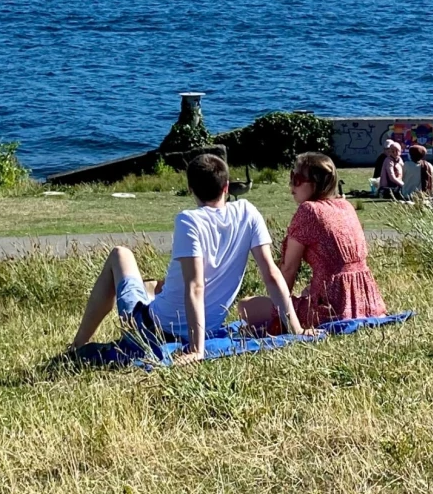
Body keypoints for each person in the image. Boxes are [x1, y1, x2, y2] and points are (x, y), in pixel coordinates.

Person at [70, 153, 302, 364]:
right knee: (158, 287)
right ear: (227, 187)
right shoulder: (248, 212)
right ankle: (151, 289)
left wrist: (196, 349)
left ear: (190, 189)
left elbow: (195, 286)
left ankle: (77, 345)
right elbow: (271, 274)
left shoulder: (189, 220)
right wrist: (296, 331)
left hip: (151, 328)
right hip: (207, 326)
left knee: (120, 254)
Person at [240, 152, 386, 331]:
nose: (291, 184)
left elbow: (288, 269)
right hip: (368, 302)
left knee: (246, 306)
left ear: (315, 183)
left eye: (297, 179)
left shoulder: (309, 211)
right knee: (306, 291)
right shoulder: (345, 206)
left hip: (333, 309)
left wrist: (280, 313)